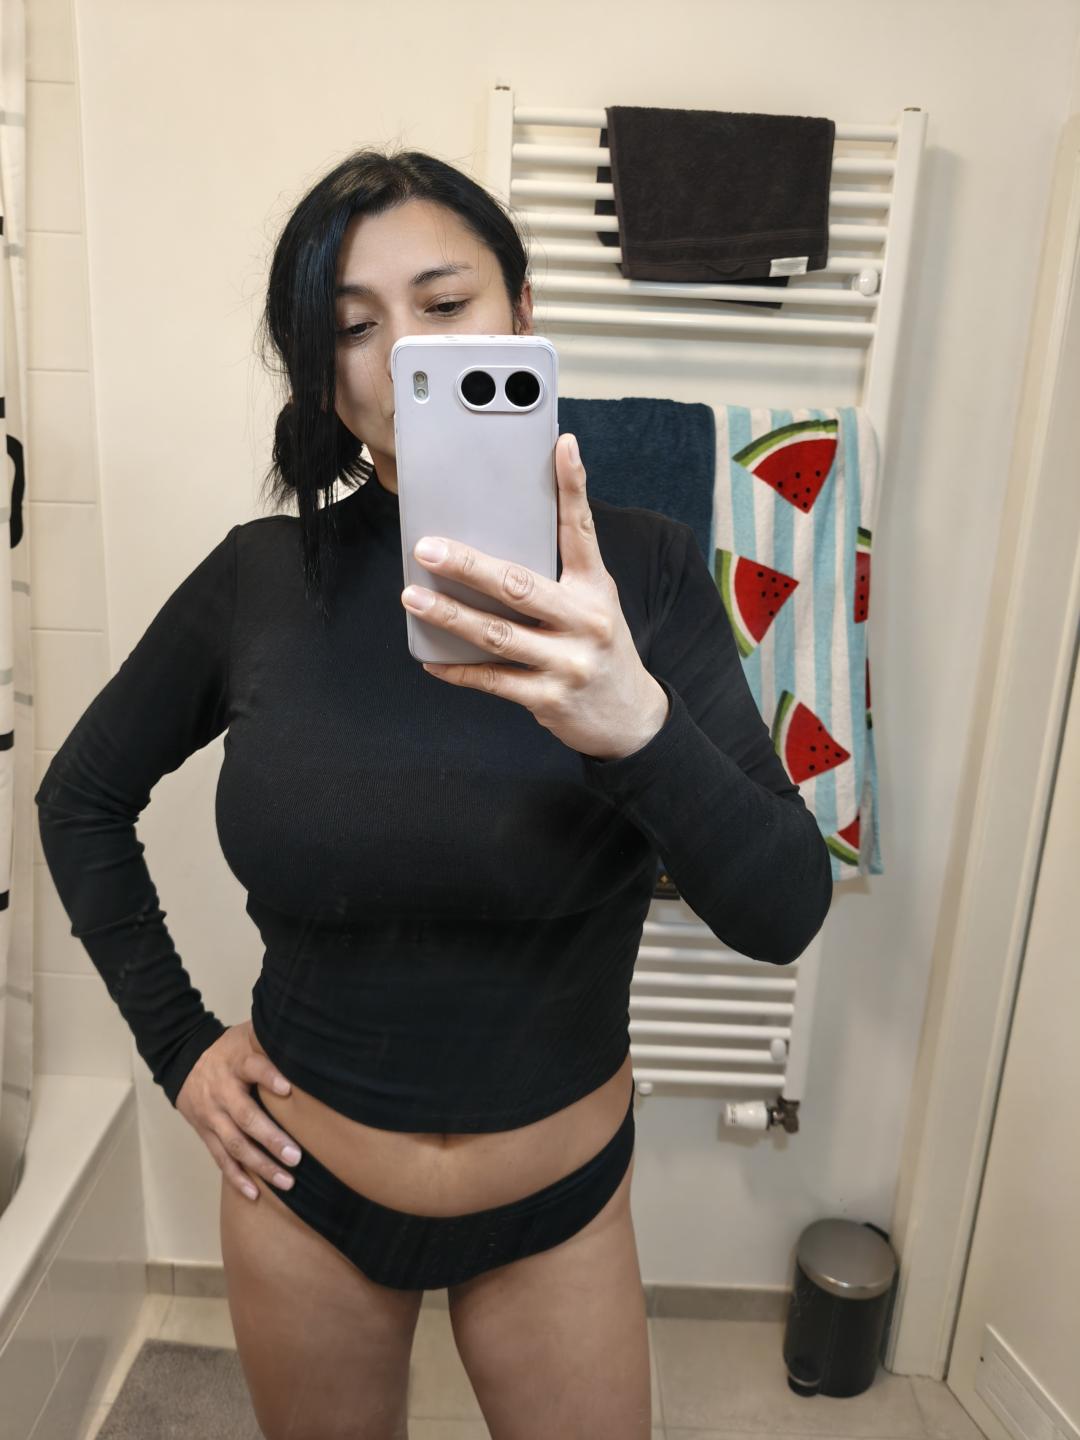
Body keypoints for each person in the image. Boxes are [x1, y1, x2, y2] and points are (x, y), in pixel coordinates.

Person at [35, 148, 834, 1440]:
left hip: (561, 1201)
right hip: (303, 1193)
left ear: (521, 313)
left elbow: (783, 909)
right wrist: (179, 1050)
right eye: (354, 327)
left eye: (446, 303)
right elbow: (77, 799)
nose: (406, 351)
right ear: (322, 373)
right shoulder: (261, 582)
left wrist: (634, 722)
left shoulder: (643, 574)